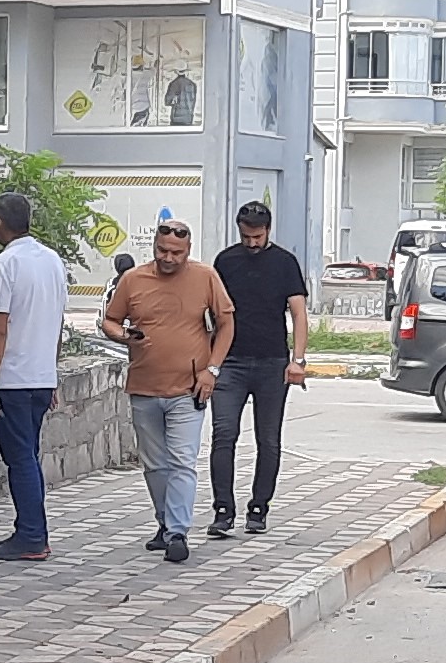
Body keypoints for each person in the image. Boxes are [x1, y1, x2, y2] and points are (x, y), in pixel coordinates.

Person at [97, 218, 234, 563]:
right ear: (153, 247)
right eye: (162, 250)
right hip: (144, 387)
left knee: (182, 462)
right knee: (156, 465)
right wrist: (123, 335)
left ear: (188, 251)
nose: (169, 258)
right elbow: (109, 320)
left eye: (177, 252)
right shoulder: (133, 280)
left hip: (189, 390)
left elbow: (227, 323)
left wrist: (212, 370)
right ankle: (165, 522)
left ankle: (177, 532)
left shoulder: (205, 277)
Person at [204, 199, 311, 540]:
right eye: (246, 236)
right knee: (224, 436)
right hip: (230, 363)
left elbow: (298, 313)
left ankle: (258, 508)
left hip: (272, 363)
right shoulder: (225, 261)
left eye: (258, 236)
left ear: (268, 231)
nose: (252, 243)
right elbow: (211, 312)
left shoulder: (284, 263)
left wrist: (298, 360)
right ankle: (223, 510)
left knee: (268, 439)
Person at [0, 189, 68, 563]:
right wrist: (53, 373)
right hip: (42, 376)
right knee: (30, 454)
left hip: (13, 378)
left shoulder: (4, 264)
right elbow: (57, 322)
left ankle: (32, 534)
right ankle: (28, 526)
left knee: (20, 459)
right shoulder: (52, 261)